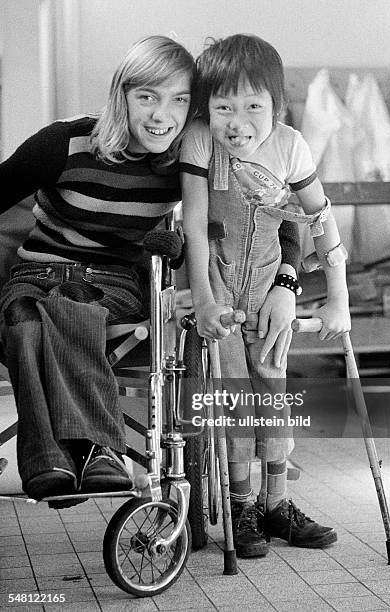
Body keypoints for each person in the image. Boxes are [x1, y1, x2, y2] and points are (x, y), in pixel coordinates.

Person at [0, 35, 196, 506]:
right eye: (146, 96)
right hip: (37, 274)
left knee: (66, 312)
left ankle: (77, 453)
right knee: (23, 323)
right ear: (121, 95)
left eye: (179, 101)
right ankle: (69, 457)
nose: (160, 115)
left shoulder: (188, 160)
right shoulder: (62, 144)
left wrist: (180, 248)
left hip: (113, 286)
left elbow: (260, 206)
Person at [181, 34, 351, 557]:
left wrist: (336, 297)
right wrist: (206, 300)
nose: (238, 121)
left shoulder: (290, 146)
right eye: (223, 106)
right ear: (207, 107)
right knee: (234, 401)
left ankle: (276, 505)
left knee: (272, 397)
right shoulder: (199, 141)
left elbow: (319, 220)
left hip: (268, 290)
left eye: (254, 106)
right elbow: (192, 226)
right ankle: (241, 503)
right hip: (219, 293)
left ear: (277, 107)